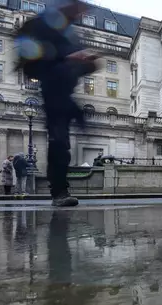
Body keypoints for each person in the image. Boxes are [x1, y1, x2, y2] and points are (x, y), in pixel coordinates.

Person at [15, 0, 99, 207]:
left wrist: (88, 64)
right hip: (52, 89)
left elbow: (75, 64)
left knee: (65, 140)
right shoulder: (44, 24)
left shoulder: (69, 31)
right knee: (59, 140)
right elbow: (30, 53)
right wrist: (69, 57)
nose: (81, 13)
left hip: (66, 91)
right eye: (79, 8)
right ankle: (59, 191)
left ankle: (60, 189)